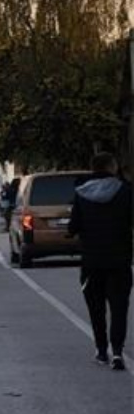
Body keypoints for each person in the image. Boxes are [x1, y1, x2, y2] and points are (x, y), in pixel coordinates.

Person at [68, 153, 132, 371]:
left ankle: (101, 350)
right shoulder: (125, 191)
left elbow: (73, 227)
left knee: (96, 308)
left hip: (91, 261)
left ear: (93, 168)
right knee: (119, 308)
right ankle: (117, 352)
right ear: (112, 167)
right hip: (119, 260)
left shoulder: (81, 193)